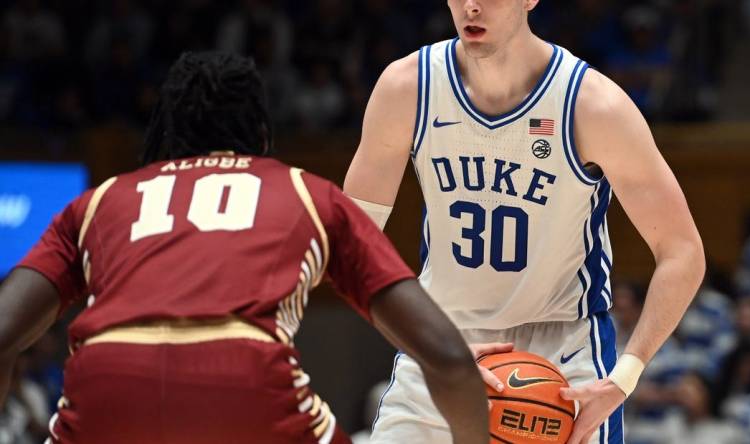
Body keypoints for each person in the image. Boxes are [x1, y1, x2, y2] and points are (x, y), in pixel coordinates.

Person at [0, 51, 489, 444]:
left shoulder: (99, 200)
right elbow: (446, 356)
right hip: (244, 379)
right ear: (261, 134)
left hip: (107, 383)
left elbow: (3, 333)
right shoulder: (305, 192)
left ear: (164, 135)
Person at [343, 1, 705, 443]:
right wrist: (422, 339)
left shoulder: (594, 106)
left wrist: (625, 375)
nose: (471, 6)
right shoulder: (408, 88)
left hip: (562, 358)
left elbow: (682, 251)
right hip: (443, 341)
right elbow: (349, 249)